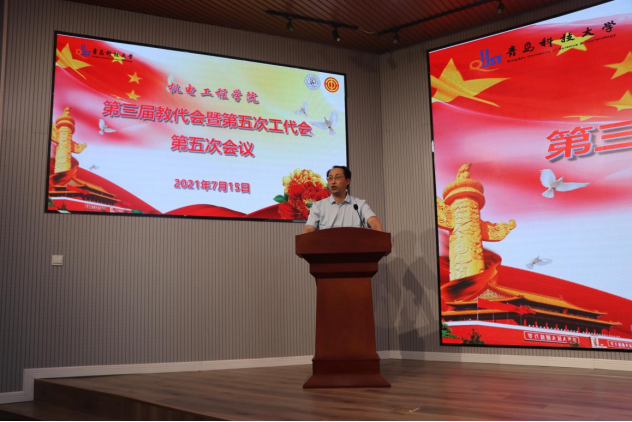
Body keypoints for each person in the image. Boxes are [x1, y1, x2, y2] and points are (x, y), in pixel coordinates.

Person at [302, 165, 384, 234]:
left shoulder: (359, 205)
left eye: (337, 177)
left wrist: (380, 240)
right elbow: (309, 229)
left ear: (347, 181)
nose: (333, 182)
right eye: (330, 178)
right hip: (327, 247)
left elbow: (374, 222)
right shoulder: (318, 206)